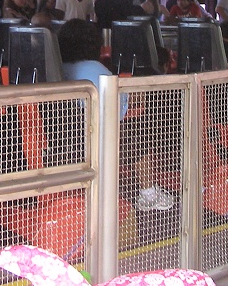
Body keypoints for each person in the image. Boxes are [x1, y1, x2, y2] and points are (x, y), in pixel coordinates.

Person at [57, 19, 175, 211]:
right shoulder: (99, 71)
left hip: (60, 141)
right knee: (134, 133)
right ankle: (149, 194)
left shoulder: (57, 67)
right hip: (87, 143)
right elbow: (118, 113)